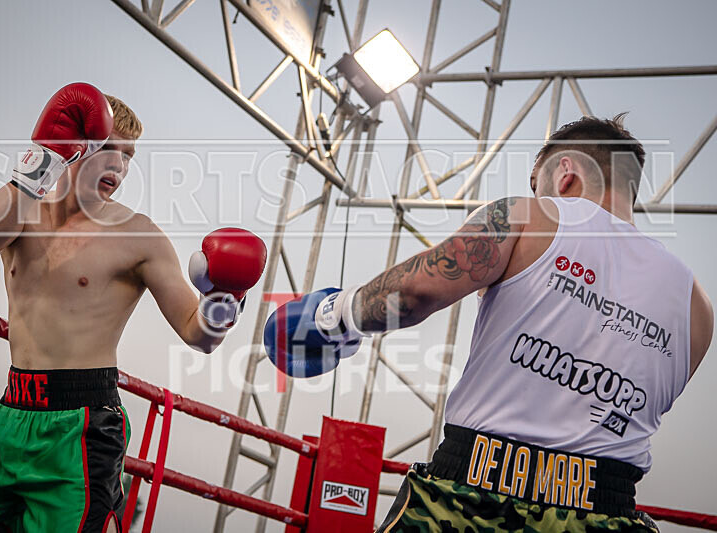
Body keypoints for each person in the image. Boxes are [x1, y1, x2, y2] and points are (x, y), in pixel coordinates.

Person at [265, 115, 713, 532]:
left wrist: (335, 316)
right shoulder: (696, 308)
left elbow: (419, 291)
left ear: (565, 174)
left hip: (477, 491)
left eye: (536, 182)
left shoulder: (531, 217)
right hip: (608, 510)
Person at [0, 83, 267, 532]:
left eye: (129, 157)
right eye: (111, 150)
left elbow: (196, 333)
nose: (119, 166)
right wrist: (45, 156)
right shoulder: (21, 210)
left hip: (81, 429)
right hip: (10, 416)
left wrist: (225, 298)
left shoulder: (138, 235)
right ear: (77, 143)